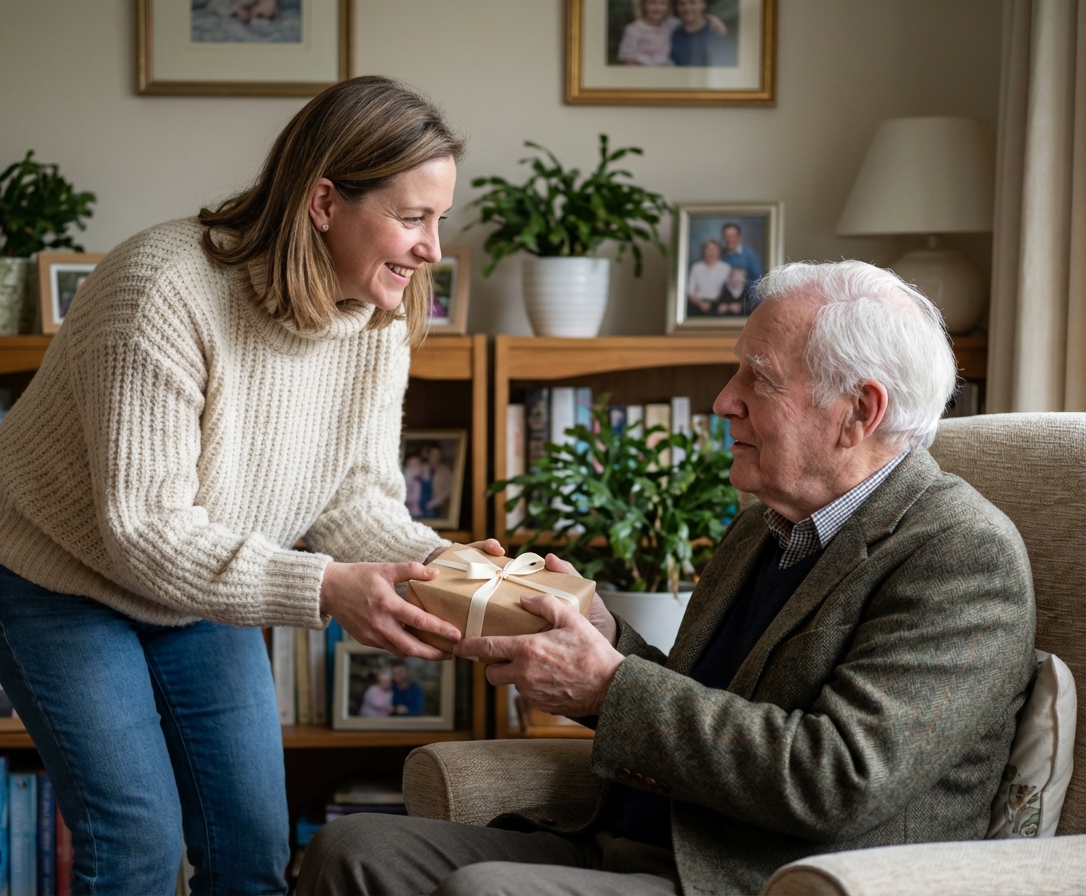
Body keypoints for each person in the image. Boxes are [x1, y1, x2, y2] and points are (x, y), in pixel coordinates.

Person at [298, 260, 1037, 896]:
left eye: (760, 379)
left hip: (755, 876)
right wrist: (602, 640)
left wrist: (608, 684)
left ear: (859, 412)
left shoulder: (961, 555)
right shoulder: (764, 526)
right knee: (354, 851)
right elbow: (703, 706)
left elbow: (838, 778)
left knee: (485, 890)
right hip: (637, 842)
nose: (724, 401)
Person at [0, 75, 484, 895]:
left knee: (250, 852)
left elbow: (355, 499)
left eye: (439, 220)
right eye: (412, 218)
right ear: (323, 203)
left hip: (204, 586)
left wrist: (456, 573)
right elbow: (144, 531)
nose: (432, 249)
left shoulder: (380, 314)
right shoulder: (162, 290)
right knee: (136, 846)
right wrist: (327, 587)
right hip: (58, 576)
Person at [669, 0, 736, 67]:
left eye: (692, 2)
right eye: (681, 4)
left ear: (703, 4)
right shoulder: (674, 34)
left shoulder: (716, 31)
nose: (687, 8)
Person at [616, 0, 679, 67]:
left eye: (662, 3)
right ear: (644, 5)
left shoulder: (671, 25)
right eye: (652, 3)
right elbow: (629, 62)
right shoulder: (633, 29)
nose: (657, 8)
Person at [686, 238, 730, 316]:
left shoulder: (726, 268)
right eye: (708, 249)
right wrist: (701, 304)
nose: (711, 252)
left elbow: (729, 291)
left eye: (714, 249)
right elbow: (691, 293)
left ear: (719, 252)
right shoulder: (696, 267)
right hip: (698, 304)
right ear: (704, 251)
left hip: (719, 304)